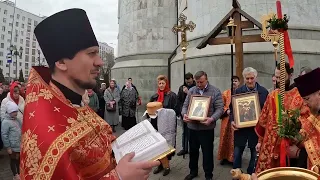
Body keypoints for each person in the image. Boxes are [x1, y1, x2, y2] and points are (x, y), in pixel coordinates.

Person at [20, 8, 159, 180]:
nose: (100, 62)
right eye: (91, 53)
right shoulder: (48, 137)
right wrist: (120, 177)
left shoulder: (72, 102)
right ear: (62, 62)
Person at [254, 63, 304, 173]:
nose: (278, 80)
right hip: (270, 143)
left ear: (290, 75)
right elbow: (263, 121)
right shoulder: (272, 95)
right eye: (276, 77)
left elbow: (305, 121)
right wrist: (259, 141)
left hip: (290, 144)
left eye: (281, 77)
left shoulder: (299, 96)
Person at [182, 71, 224, 180]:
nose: (199, 84)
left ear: (206, 80)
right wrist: (184, 114)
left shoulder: (215, 91)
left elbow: (220, 108)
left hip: (207, 129)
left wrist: (212, 119)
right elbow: (185, 106)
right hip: (192, 128)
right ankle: (193, 171)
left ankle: (208, 175)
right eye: (197, 82)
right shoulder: (191, 91)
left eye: (201, 82)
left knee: (207, 153)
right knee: (193, 152)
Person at [230, 67, 268, 175]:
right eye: (247, 78)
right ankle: (236, 175)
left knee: (254, 154)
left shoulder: (264, 92)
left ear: (256, 77)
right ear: (244, 78)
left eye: (252, 78)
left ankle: (250, 174)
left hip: (255, 130)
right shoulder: (238, 91)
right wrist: (232, 120)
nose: (250, 81)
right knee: (237, 153)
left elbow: (267, 111)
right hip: (240, 129)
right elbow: (232, 109)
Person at [286, 68, 320, 171]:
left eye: (307, 99)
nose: (304, 104)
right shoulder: (315, 114)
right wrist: (297, 140)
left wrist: (298, 153)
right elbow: (308, 138)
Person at [142, 102, 177, 176]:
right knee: (157, 152)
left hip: (163, 135)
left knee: (164, 151)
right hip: (155, 134)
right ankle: (160, 165)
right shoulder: (148, 115)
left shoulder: (167, 114)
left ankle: (167, 167)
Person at [217, 76, 240, 165]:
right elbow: (220, 105)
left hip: (237, 120)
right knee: (224, 139)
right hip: (226, 119)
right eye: (232, 81)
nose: (234, 82)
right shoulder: (226, 93)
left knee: (234, 140)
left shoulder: (241, 92)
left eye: (236, 81)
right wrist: (226, 110)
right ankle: (224, 157)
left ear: (239, 82)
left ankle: (234, 158)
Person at [1, 101, 22, 180]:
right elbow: (4, 135)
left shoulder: (17, 119)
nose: (16, 113)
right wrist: (8, 147)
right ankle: (15, 174)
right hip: (12, 146)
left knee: (18, 159)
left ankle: (19, 172)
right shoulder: (5, 122)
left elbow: (21, 128)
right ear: (9, 111)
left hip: (18, 144)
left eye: (16, 111)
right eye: (14, 112)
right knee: (13, 160)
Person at [176, 72, 195, 156]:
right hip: (184, 113)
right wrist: (180, 112)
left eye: (189, 81)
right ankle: (184, 148)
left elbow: (197, 98)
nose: (188, 83)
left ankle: (193, 149)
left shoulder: (195, 87)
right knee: (185, 132)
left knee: (192, 132)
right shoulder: (181, 88)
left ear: (192, 79)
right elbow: (179, 100)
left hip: (193, 112)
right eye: (186, 81)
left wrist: (188, 92)